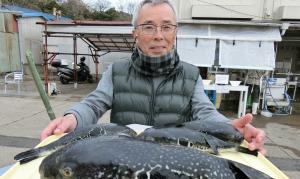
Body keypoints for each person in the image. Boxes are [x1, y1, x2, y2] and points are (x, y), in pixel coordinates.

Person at [40, 0, 266, 155]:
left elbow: (205, 112)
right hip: (125, 157)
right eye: (149, 27)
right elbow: (94, 103)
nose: (159, 35)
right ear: (135, 33)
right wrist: (72, 118)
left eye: (166, 27)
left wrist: (230, 128)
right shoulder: (117, 71)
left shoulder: (190, 74)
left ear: (175, 32)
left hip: (176, 159)